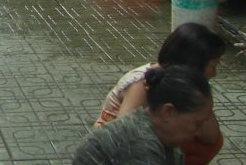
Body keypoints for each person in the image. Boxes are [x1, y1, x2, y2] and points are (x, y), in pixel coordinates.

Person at [94, 23, 226, 164]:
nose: (214, 73)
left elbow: (210, 137)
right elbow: (125, 134)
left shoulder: (185, 86)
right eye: (213, 66)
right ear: (195, 64)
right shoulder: (140, 84)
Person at [74, 64, 214, 165]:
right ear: (168, 112)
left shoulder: (163, 138)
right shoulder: (139, 143)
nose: (198, 133)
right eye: (197, 123)